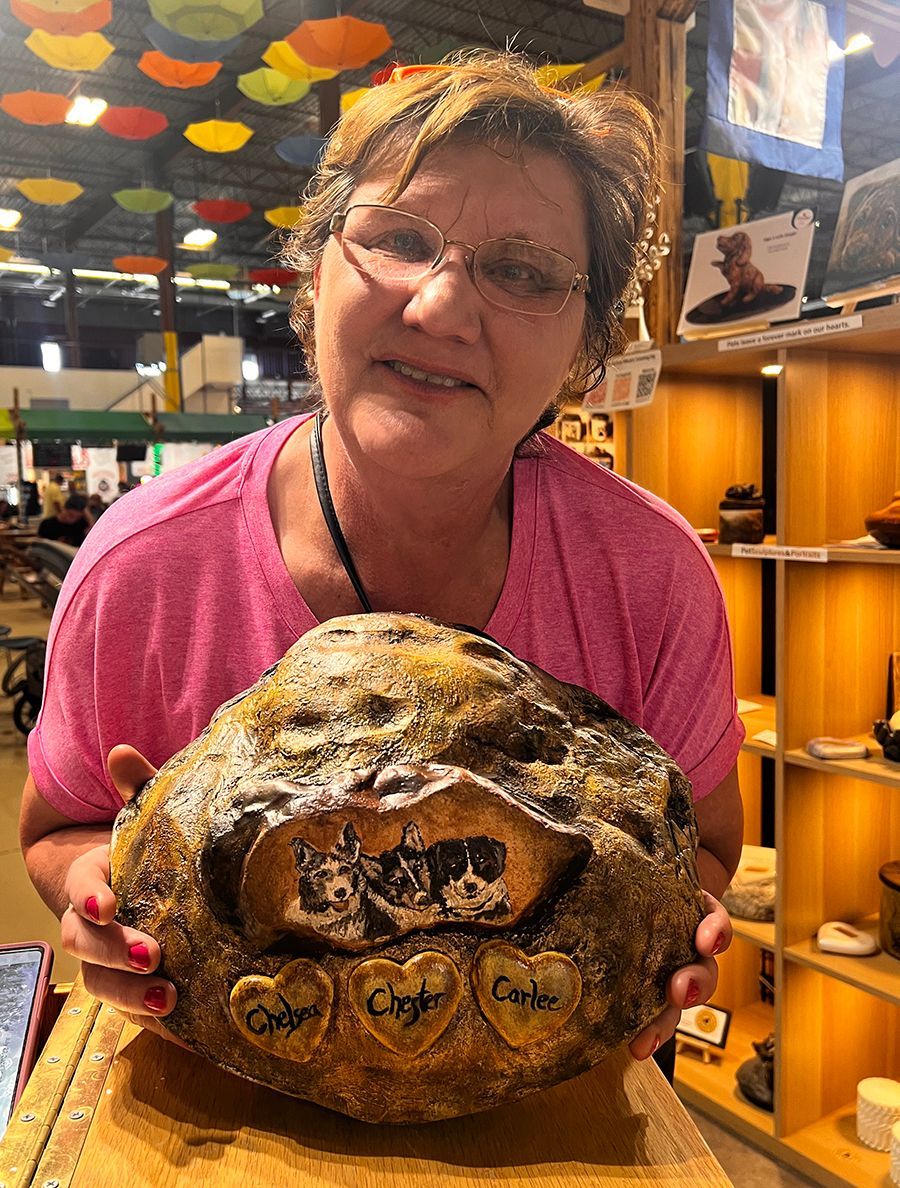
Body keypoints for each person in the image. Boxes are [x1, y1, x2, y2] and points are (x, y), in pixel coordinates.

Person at [19, 54, 743, 1075]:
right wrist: (108, 888)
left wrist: (668, 925)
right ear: (315, 271)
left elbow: (708, 842)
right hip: (220, 1112)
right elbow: (59, 825)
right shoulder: (145, 567)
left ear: (587, 347)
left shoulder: (650, 575)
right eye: (398, 239)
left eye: (523, 271)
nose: (443, 307)